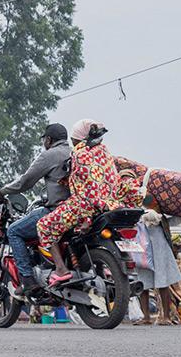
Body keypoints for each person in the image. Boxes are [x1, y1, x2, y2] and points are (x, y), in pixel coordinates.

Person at [36, 120, 125, 285]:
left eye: (73, 139)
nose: (72, 142)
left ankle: (60, 269)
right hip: (110, 204)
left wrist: (86, 217)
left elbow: (80, 188)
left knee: (44, 226)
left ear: (79, 139)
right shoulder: (103, 151)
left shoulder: (79, 154)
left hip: (86, 205)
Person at [0, 123, 72, 295]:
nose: (44, 143)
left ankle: (27, 280)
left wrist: (2, 191)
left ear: (49, 139)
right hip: (77, 210)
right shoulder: (75, 153)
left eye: (44, 139)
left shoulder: (50, 155)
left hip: (56, 210)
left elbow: (25, 181)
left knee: (14, 231)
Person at [132, 209, 181, 326]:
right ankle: (146, 317)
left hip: (157, 235)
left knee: (162, 278)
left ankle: (166, 317)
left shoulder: (158, 202)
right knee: (143, 279)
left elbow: (167, 215)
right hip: (141, 233)